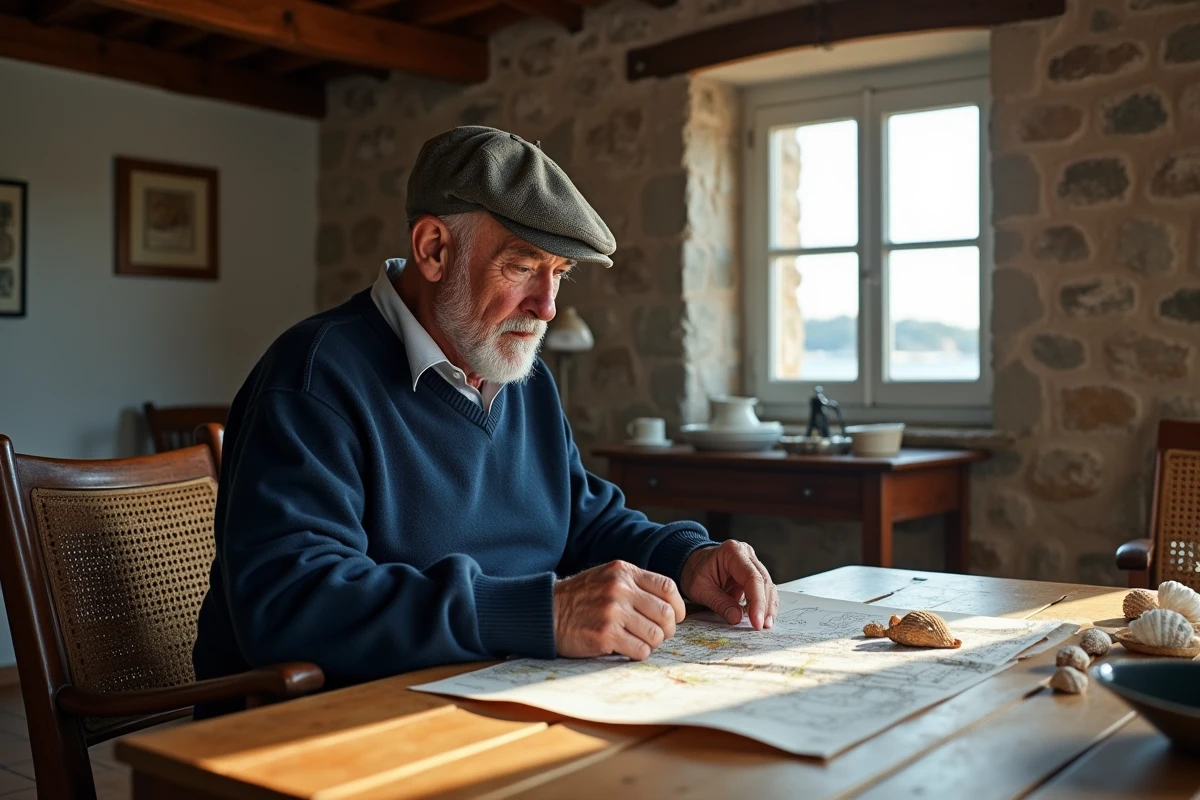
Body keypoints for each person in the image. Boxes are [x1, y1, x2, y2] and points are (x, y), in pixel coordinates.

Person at [192, 126, 779, 717]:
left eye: (560, 274)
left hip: (494, 697)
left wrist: (687, 558)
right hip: (329, 729)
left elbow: (582, 520)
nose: (547, 306)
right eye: (523, 267)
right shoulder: (313, 377)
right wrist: (539, 613)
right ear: (434, 249)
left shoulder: (521, 376)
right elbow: (291, 602)